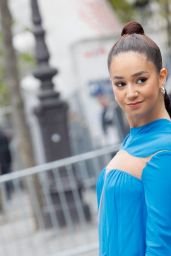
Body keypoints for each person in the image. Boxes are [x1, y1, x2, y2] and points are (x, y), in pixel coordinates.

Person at [96, 21, 171, 256]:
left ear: (161, 78)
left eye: (140, 80)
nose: (130, 92)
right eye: (120, 83)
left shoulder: (164, 151)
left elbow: (162, 249)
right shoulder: (134, 142)